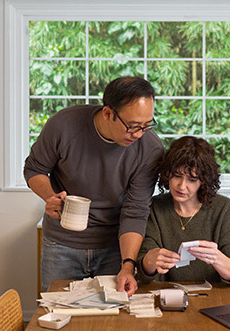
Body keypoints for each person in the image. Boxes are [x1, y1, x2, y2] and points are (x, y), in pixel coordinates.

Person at [24, 77, 164, 295]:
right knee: (57, 314)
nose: (138, 134)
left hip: (115, 246)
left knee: (112, 321)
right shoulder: (64, 126)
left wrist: (128, 264)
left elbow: (136, 211)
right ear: (108, 113)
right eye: (132, 126)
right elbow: (34, 169)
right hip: (62, 244)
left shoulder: (150, 149)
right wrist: (50, 197)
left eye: (146, 126)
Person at [136, 136, 230, 285]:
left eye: (192, 179)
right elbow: (143, 275)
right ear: (167, 174)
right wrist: (149, 262)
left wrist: (216, 258)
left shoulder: (223, 209)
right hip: (167, 298)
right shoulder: (155, 208)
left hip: (214, 299)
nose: (182, 186)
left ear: (204, 181)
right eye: (177, 176)